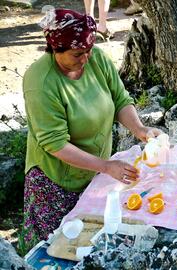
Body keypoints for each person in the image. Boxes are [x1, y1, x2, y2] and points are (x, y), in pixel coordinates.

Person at [23, 8, 162, 241]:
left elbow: (120, 99)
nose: (86, 58)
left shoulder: (96, 59)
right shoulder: (41, 82)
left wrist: (140, 129)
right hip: (55, 182)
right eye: (77, 54)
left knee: (93, 241)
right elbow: (55, 143)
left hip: (93, 172)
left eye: (88, 50)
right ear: (56, 50)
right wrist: (106, 166)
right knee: (59, 246)